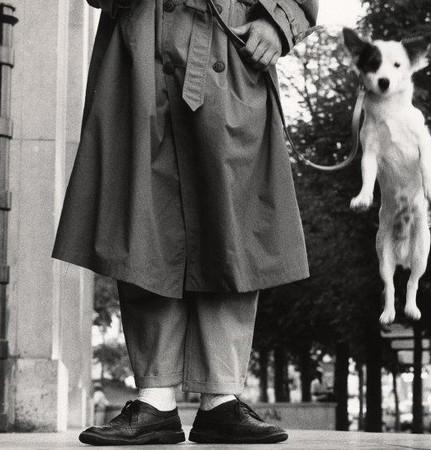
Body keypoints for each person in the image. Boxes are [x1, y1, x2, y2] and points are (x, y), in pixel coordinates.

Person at [52, 0, 318, 445]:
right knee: (141, 219)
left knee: (232, 223)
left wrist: (280, 20)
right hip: (138, 46)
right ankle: (155, 398)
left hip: (231, 46)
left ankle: (222, 399)